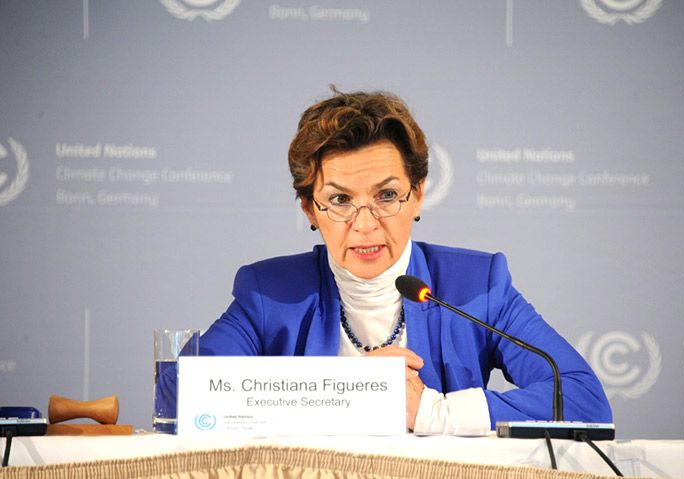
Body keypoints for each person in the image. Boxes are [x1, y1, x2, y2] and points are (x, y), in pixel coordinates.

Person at [200, 88, 612, 434]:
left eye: (386, 196)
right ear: (310, 209)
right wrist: (346, 389)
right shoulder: (270, 294)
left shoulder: (476, 287)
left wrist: (433, 412)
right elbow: (184, 392)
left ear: (417, 196)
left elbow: (582, 399)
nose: (365, 224)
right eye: (340, 199)